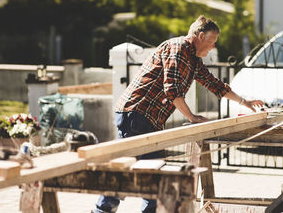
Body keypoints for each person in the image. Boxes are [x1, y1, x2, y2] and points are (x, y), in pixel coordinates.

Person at [93, 15, 264, 213]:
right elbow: (172, 89)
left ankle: (113, 210)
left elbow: (213, 84)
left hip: (148, 118)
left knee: (151, 174)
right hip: (136, 114)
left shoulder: (193, 59)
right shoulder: (178, 48)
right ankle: (102, 210)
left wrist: (245, 102)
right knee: (131, 171)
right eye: (212, 41)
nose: (212, 48)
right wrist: (192, 117)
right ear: (200, 35)